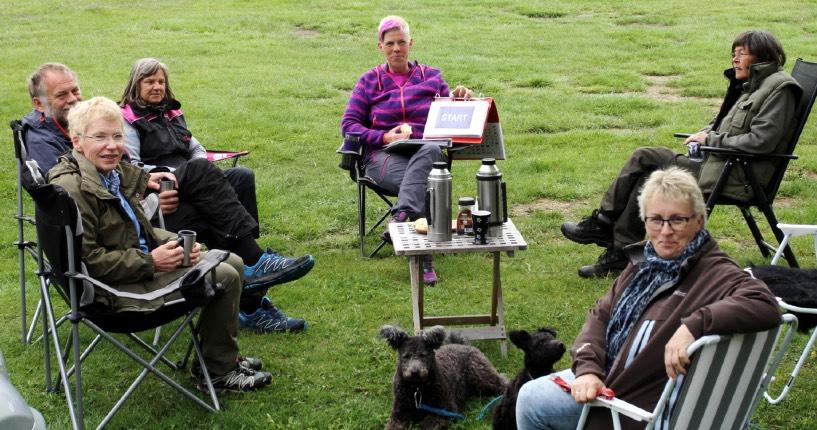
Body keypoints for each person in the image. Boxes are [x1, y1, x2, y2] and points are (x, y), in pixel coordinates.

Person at [23, 63, 311, 333]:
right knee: (202, 193)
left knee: (238, 179)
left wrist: (146, 183)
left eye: (75, 90)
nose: (73, 99)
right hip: (130, 238)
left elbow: (123, 172)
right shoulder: (47, 150)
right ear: (40, 104)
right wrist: (150, 200)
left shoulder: (134, 118)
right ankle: (254, 279)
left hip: (141, 210)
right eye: (62, 94)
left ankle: (251, 283)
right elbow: (89, 206)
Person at [515, 167, 780, 430]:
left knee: (530, 399)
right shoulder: (644, 262)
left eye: (677, 220)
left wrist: (693, 325)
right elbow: (601, 315)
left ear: (698, 221)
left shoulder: (715, 272)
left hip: (631, 408)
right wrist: (587, 369)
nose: (665, 231)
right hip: (607, 380)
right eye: (655, 220)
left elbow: (764, 302)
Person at [48, 96, 272, 392]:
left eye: (117, 136)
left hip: (135, 266)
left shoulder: (110, 175)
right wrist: (152, 262)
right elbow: (87, 261)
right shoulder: (74, 190)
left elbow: (139, 231)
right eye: (100, 137)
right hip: (112, 291)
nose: (112, 145)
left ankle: (218, 357)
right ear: (77, 142)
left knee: (232, 260)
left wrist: (177, 243)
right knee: (225, 275)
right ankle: (217, 372)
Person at [561, 30, 802, 278]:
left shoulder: (780, 89)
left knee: (647, 164)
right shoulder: (754, 84)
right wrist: (704, 132)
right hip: (715, 164)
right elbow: (724, 123)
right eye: (733, 53)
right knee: (646, 162)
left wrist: (709, 139)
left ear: (763, 55)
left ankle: (607, 233)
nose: (735, 59)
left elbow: (762, 141)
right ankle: (612, 239)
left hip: (735, 175)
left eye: (742, 54)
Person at [340, 15, 472, 285]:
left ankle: (401, 218)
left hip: (425, 151)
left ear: (411, 43)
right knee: (426, 184)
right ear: (380, 47)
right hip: (382, 157)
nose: (396, 48)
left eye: (401, 42)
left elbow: (448, 116)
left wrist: (460, 99)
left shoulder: (432, 78)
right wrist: (384, 136)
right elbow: (349, 125)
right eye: (390, 43)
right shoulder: (369, 81)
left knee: (432, 152)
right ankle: (423, 257)